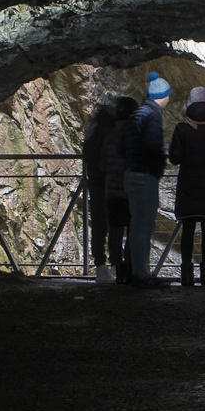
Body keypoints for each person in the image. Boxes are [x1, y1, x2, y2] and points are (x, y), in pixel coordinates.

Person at [167, 85, 205, 287]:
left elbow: (175, 158)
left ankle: (186, 274)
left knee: (187, 229)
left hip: (187, 184)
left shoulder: (181, 128)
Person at [121, 86, 170, 287]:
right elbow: (152, 145)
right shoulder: (153, 115)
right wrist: (157, 168)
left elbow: (123, 146)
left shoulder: (136, 114)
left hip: (131, 174)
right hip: (144, 176)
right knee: (144, 226)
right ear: (163, 96)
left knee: (136, 227)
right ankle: (141, 274)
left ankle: (136, 271)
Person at [80, 96, 128, 284]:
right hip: (111, 186)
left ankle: (101, 266)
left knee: (100, 226)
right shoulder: (110, 136)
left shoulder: (92, 136)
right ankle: (116, 266)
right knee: (114, 226)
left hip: (97, 186)